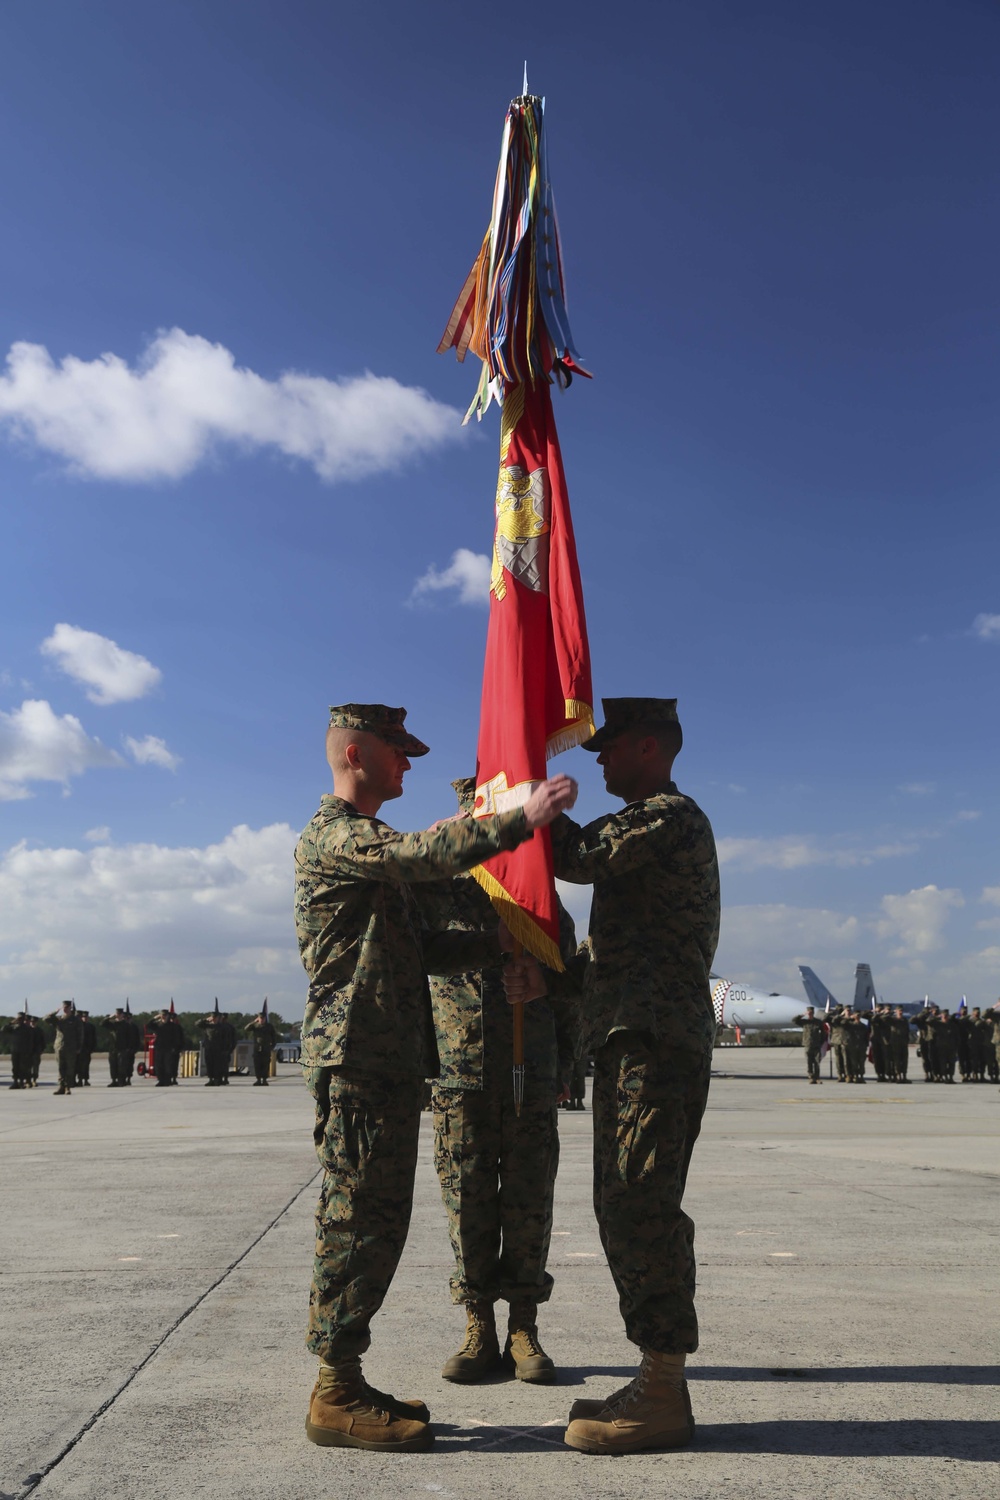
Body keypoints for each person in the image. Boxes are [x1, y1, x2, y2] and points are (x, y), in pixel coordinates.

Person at [296, 704, 576, 1454]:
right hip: (355, 1057)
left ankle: (346, 1380)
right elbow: (423, 856)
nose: (409, 765)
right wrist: (517, 817)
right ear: (356, 753)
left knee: (379, 1224)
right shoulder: (339, 835)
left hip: (386, 1062)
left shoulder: (366, 846)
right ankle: (333, 1391)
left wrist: (503, 942)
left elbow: (423, 950)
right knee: (355, 1225)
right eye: (398, 752)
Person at [507, 697, 720, 1456]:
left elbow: (575, 856)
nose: (596, 761)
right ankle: (656, 1376)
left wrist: (520, 790)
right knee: (622, 1201)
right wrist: (554, 982)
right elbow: (615, 955)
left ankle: (662, 1389)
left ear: (651, 749)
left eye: (610, 748)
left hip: (655, 1043)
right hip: (634, 1038)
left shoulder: (667, 816)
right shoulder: (650, 828)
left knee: (641, 1205)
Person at [416, 777, 579, 1387]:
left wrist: (565, 1061)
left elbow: (570, 969)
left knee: (529, 1199)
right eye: (469, 813)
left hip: (529, 1065)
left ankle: (523, 1325)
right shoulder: (437, 886)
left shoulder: (536, 888)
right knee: (467, 1200)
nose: (475, 823)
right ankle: (477, 1322)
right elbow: (415, 947)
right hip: (459, 1070)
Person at [44, 1002, 81, 1096]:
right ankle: (61, 1087)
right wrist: (55, 1012)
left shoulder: (75, 1020)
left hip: (71, 1047)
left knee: (70, 1068)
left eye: (67, 1007)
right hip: (59, 1046)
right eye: (64, 1007)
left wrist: (79, 1047)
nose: (65, 1009)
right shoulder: (58, 1019)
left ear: (70, 1008)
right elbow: (45, 1019)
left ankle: (67, 1087)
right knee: (60, 1068)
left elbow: (80, 1034)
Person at [197, 1009, 236, 1085]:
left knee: (217, 1065)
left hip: (219, 1049)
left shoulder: (223, 1027)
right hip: (209, 1048)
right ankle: (210, 1079)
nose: (214, 1019)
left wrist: (227, 1049)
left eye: (215, 1018)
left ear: (218, 1018)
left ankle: (217, 1079)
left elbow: (227, 1039)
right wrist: (205, 1019)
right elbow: (197, 1024)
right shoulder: (207, 1025)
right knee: (209, 1064)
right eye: (213, 1017)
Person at [791, 1006, 827, 1084]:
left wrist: (821, 1042)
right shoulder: (804, 1022)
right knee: (809, 1062)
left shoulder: (818, 1022)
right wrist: (803, 1015)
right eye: (809, 1013)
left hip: (816, 1045)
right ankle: (811, 1077)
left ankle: (817, 1078)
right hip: (808, 1045)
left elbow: (824, 1033)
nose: (810, 1014)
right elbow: (794, 1020)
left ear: (813, 1013)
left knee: (817, 1062)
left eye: (811, 1013)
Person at [150, 1008, 185, 1086]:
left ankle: (167, 1080)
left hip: (169, 1048)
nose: (164, 1017)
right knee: (159, 1065)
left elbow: (177, 1038)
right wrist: (155, 1018)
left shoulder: (173, 1026)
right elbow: (149, 1025)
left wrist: (176, 1048)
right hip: (159, 1048)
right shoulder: (158, 1025)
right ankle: (160, 1080)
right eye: (162, 1015)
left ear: (168, 1016)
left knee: (168, 1066)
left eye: (165, 1015)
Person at [245, 1009, 278, 1085]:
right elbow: (246, 1029)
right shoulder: (255, 1026)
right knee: (257, 1064)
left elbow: (274, 1037)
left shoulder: (269, 1026)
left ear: (265, 1019)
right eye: (260, 1018)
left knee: (265, 1065)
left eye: (263, 1018)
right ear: (258, 1018)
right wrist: (254, 1022)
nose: (262, 1020)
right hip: (257, 1049)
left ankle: (264, 1079)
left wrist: (272, 1047)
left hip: (266, 1048)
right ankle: (258, 1079)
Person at [3, 1013, 33, 1089]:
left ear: (23, 1019)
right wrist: (10, 1022)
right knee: (15, 1067)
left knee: (23, 1067)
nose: (19, 1020)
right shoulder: (13, 1027)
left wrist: (29, 1051)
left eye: (21, 1018)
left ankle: (22, 1082)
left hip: (24, 1050)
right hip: (15, 1050)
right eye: (18, 1018)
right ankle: (15, 1082)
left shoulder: (27, 1029)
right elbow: (3, 1029)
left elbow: (31, 1040)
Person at [74, 1011, 97, 1087]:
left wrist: (92, 1048)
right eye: (83, 1017)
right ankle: (80, 1080)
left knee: (86, 1065)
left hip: (87, 1049)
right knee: (79, 1066)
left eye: (86, 1017)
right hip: (80, 1049)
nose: (85, 1018)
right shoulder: (78, 1026)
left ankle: (86, 1080)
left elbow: (93, 1038)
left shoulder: (91, 1027)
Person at [889, 1007, 911, 1082]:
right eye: (899, 1011)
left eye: (901, 1010)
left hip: (903, 1043)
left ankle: (904, 1076)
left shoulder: (904, 1020)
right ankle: (898, 1076)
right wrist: (889, 1013)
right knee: (897, 1060)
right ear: (896, 1011)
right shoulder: (893, 1020)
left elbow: (907, 1031)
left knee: (904, 1060)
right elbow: (885, 1019)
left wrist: (907, 1040)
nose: (900, 1012)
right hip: (896, 1043)